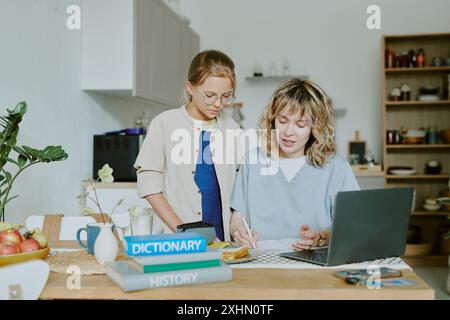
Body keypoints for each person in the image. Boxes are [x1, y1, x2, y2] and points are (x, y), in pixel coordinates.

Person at [230, 79, 360, 249]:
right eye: (282, 121)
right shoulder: (252, 162)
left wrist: (322, 237)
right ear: (272, 119)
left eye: (300, 124)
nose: (288, 132)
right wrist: (239, 232)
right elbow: (237, 219)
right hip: (262, 259)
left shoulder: (336, 168)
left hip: (315, 262)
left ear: (316, 126)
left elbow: (351, 227)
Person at [134, 50, 241, 241]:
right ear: (190, 88)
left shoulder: (232, 128)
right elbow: (149, 185)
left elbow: (240, 188)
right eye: (209, 95)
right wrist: (184, 231)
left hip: (222, 242)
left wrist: (237, 228)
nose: (218, 103)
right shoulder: (165, 123)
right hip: (175, 239)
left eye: (226, 96)